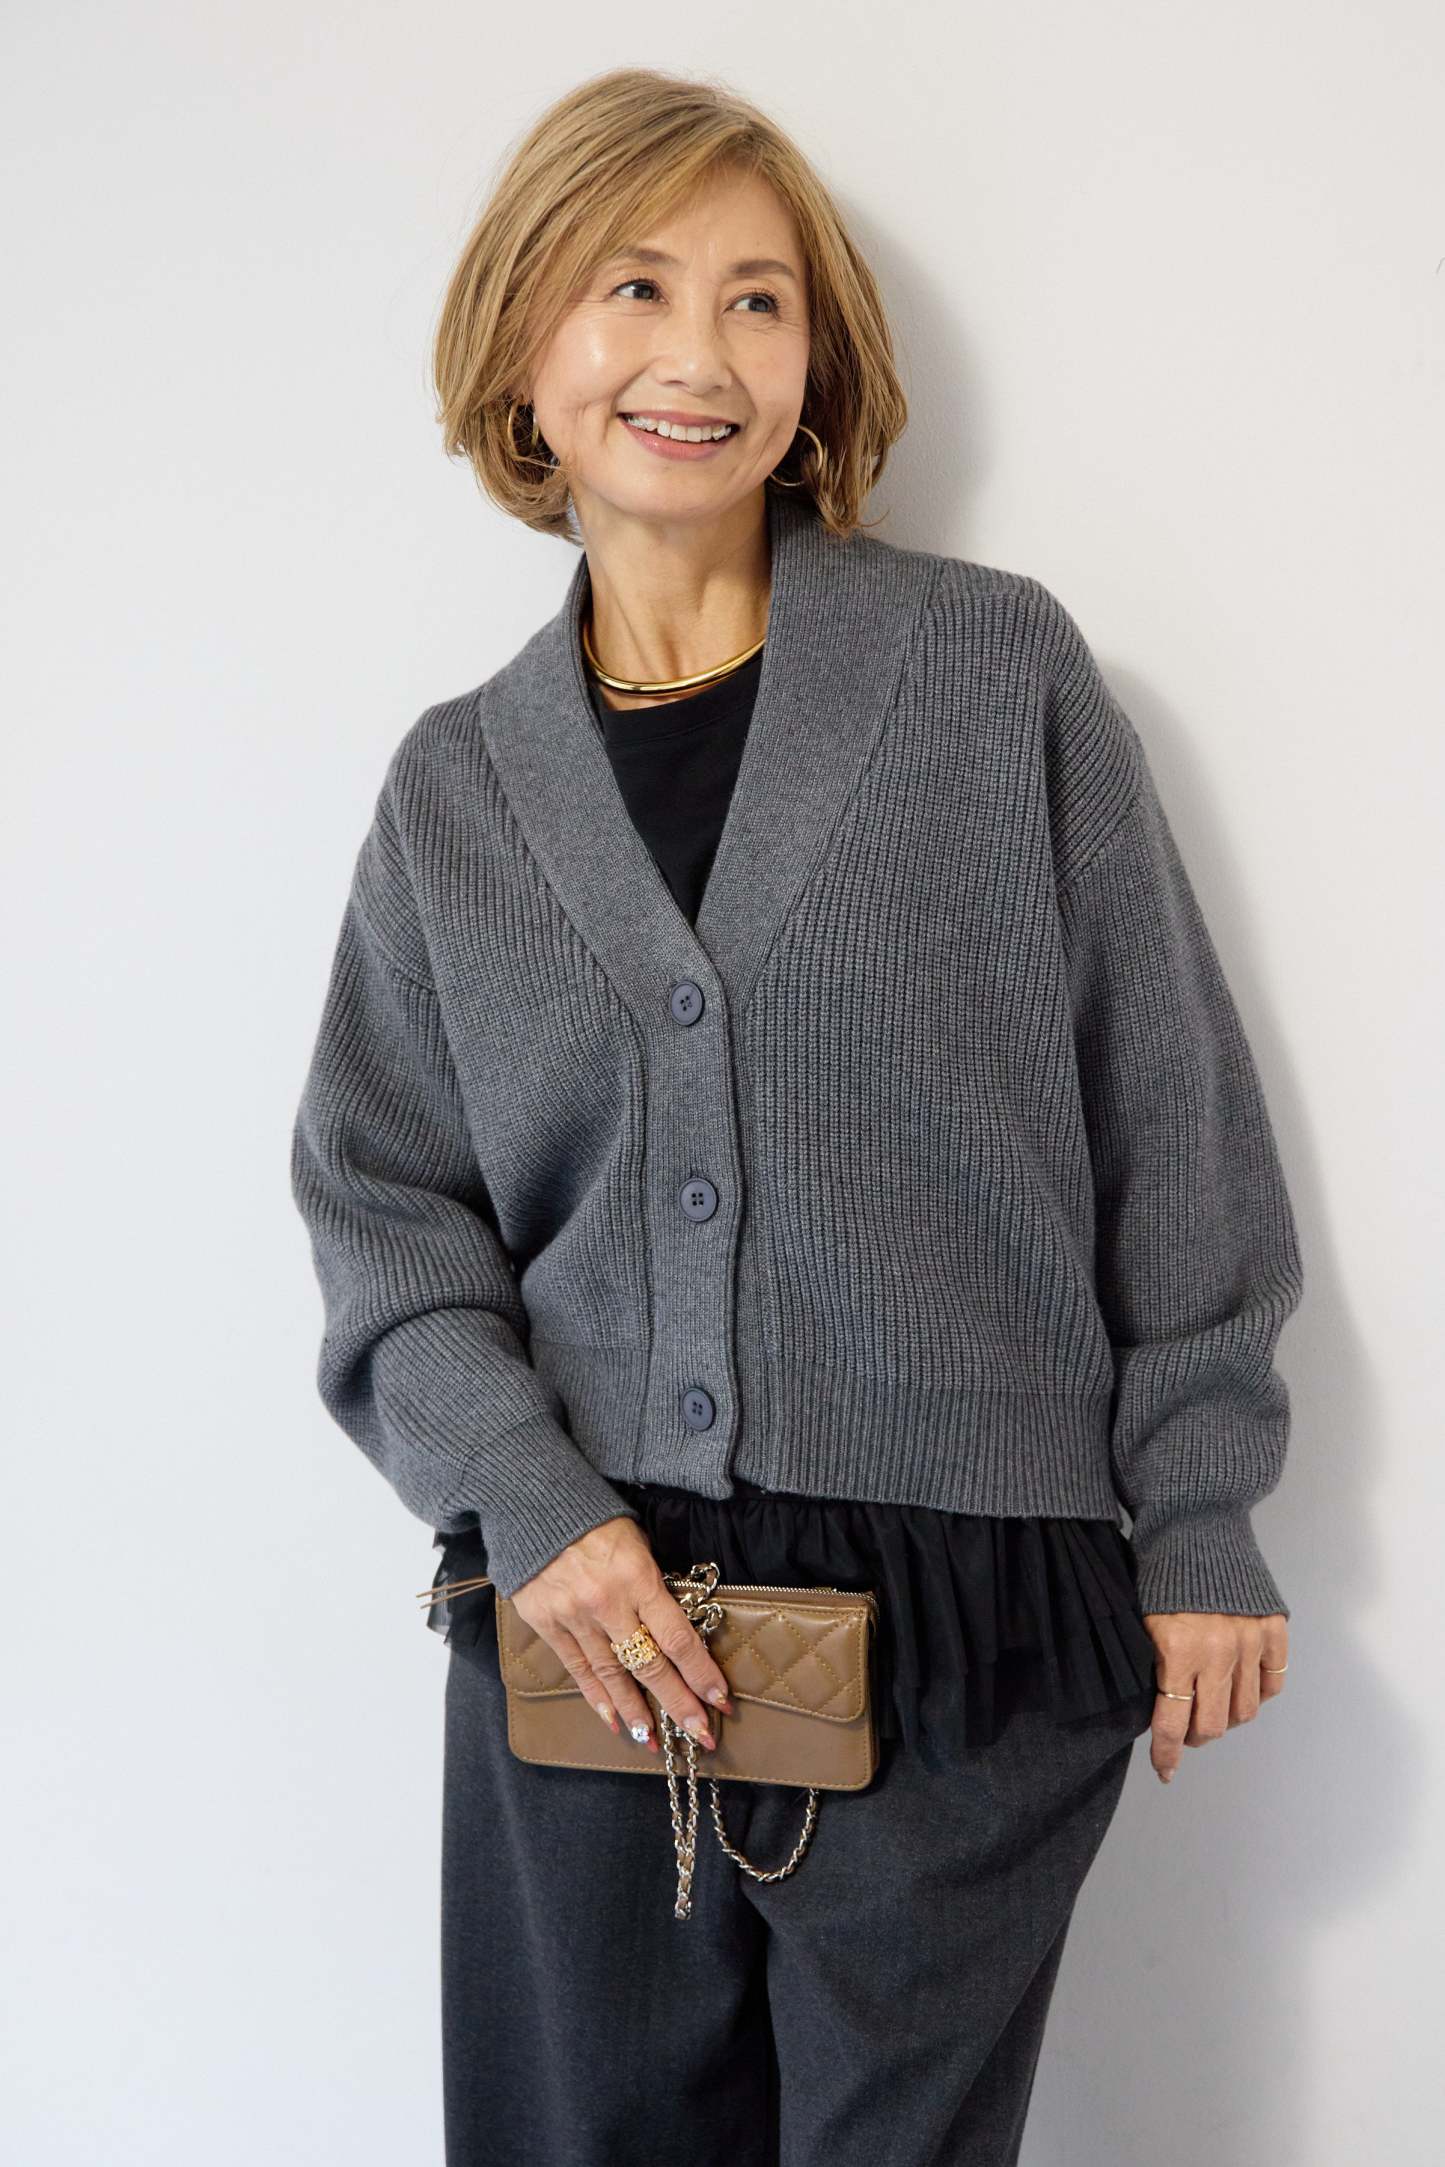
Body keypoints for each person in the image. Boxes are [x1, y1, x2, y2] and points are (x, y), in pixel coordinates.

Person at [289, 66, 1302, 2167]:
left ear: (817, 365)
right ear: (523, 352)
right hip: (591, 1617)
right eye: (634, 287)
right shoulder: (456, 789)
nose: (699, 352)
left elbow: (1167, 1102)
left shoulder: (991, 673)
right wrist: (532, 1505)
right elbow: (389, 1217)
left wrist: (1200, 1505)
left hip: (966, 1621)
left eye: (760, 301)